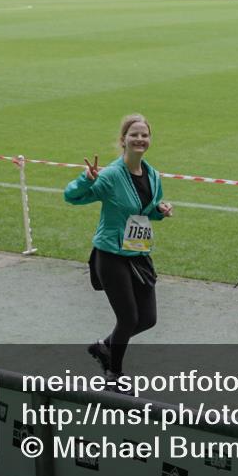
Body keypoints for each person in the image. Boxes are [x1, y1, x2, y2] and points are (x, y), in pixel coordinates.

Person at [64, 113, 172, 388]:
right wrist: (86, 180)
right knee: (128, 318)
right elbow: (72, 197)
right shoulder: (111, 175)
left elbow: (145, 211)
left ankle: (104, 347)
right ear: (123, 140)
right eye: (134, 134)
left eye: (144, 135)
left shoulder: (153, 175)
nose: (140, 139)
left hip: (138, 254)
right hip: (110, 255)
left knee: (148, 319)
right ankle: (114, 375)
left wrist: (160, 211)